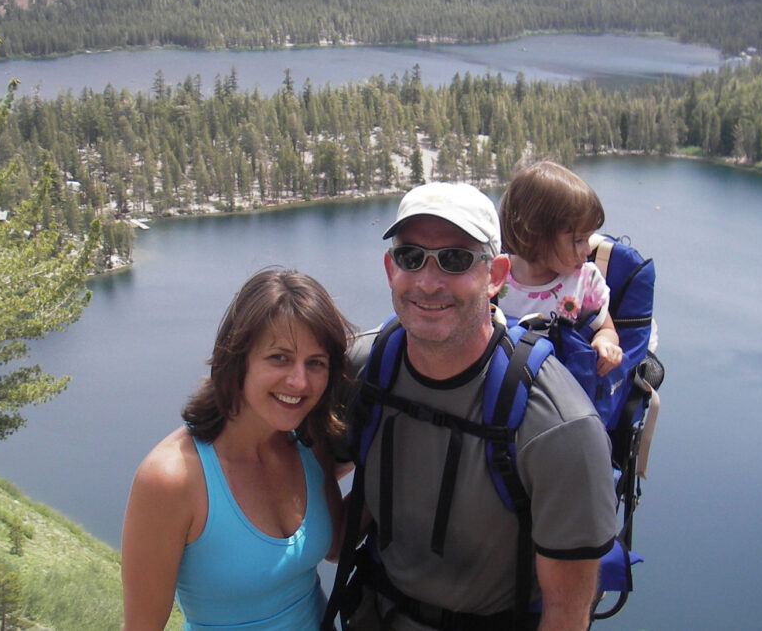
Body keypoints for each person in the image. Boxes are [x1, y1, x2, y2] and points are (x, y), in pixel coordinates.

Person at [331, 182, 619, 630]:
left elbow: (566, 614)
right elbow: (311, 514)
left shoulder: (559, 427)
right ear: (391, 268)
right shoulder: (363, 369)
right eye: (411, 258)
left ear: (497, 275)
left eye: (456, 259)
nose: (428, 282)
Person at [121, 268, 352, 630]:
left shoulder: (308, 443)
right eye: (279, 357)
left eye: (315, 363)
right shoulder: (171, 480)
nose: (299, 381)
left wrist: (394, 463)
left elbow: (337, 546)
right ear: (237, 357)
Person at [496, 160, 623, 378]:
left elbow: (606, 328)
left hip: (553, 391)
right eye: (579, 240)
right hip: (500, 384)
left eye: (588, 238)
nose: (587, 250)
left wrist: (604, 342)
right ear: (536, 235)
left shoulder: (585, 280)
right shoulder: (496, 273)